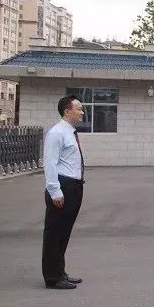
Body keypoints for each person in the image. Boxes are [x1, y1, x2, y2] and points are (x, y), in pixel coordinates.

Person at [42, 94, 87, 290]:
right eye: (78, 108)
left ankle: (60, 272)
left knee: (64, 233)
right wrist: (55, 191)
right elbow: (50, 163)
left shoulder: (70, 132)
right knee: (54, 234)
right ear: (67, 111)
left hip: (74, 187)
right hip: (62, 187)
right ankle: (52, 277)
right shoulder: (57, 133)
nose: (82, 112)